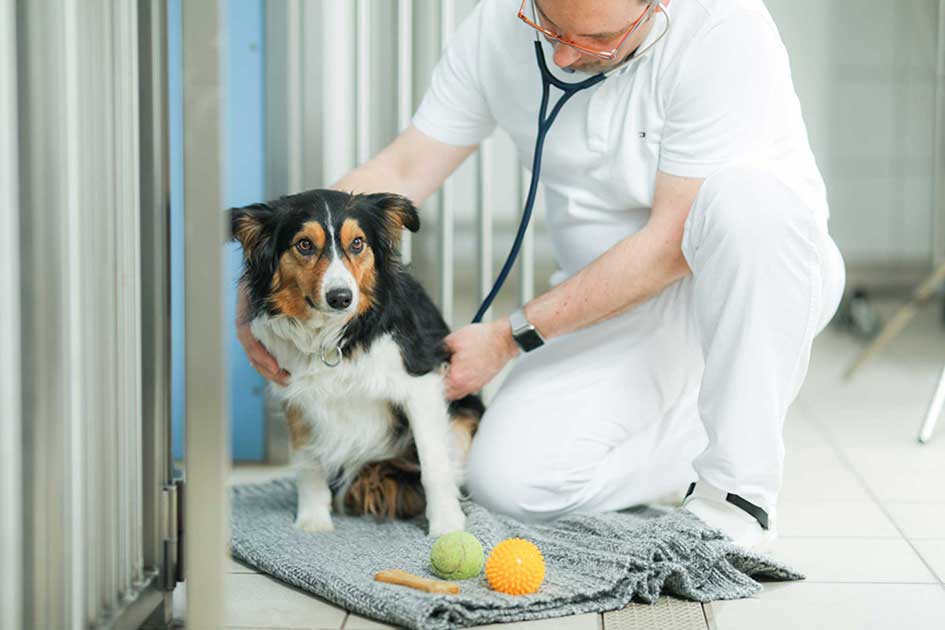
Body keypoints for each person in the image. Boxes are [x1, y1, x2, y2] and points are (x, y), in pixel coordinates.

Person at [237, 0, 845, 551]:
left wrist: (510, 337)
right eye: (549, 27)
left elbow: (670, 246)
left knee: (748, 206)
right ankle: (707, 430)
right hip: (609, 305)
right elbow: (405, 166)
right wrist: (260, 276)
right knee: (509, 483)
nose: (563, 57)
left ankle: (737, 495)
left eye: (597, 39)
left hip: (746, 280)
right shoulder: (495, 25)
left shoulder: (723, 27)